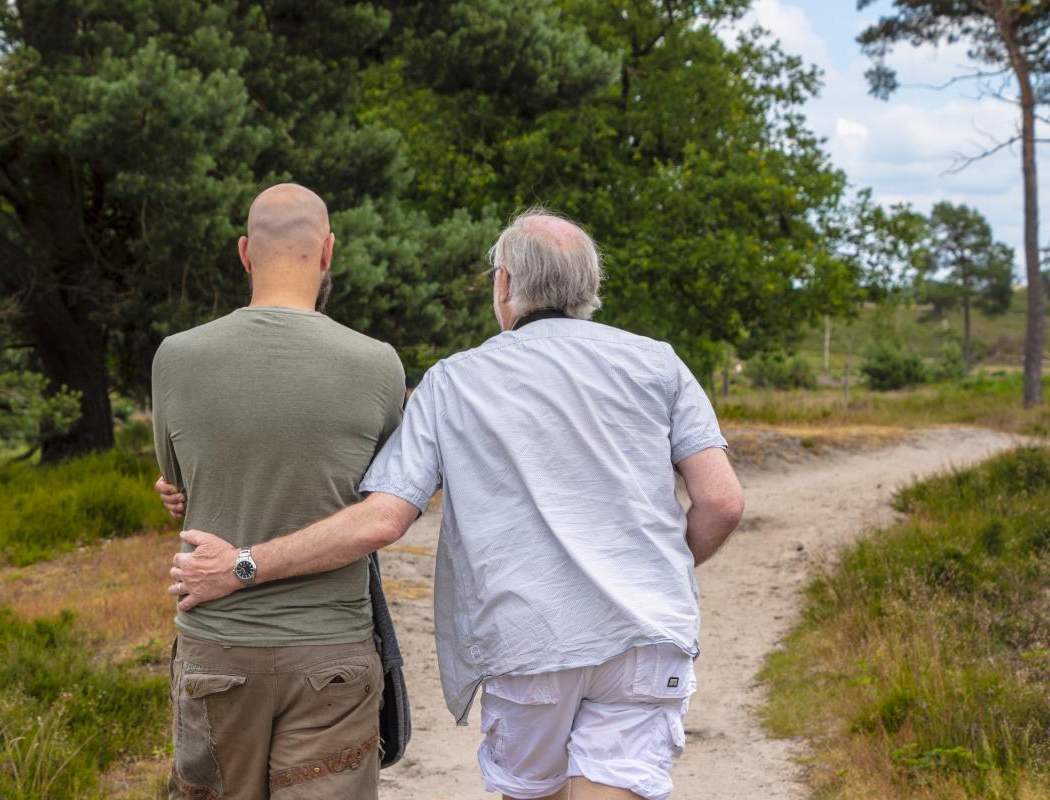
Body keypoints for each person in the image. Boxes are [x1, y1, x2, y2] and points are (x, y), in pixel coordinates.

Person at [164, 208, 744, 800]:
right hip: (645, 637)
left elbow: (383, 518)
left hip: (531, 640)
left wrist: (244, 563)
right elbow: (721, 502)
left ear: (504, 285)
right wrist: (652, 569)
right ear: (590, 288)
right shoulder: (659, 363)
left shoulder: (455, 381)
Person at [151, 183, 407, 800]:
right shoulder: (379, 364)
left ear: (245, 253)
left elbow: (178, 483)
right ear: (328, 251)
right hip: (331, 654)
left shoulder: (175, 358)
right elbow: (384, 500)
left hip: (217, 648)